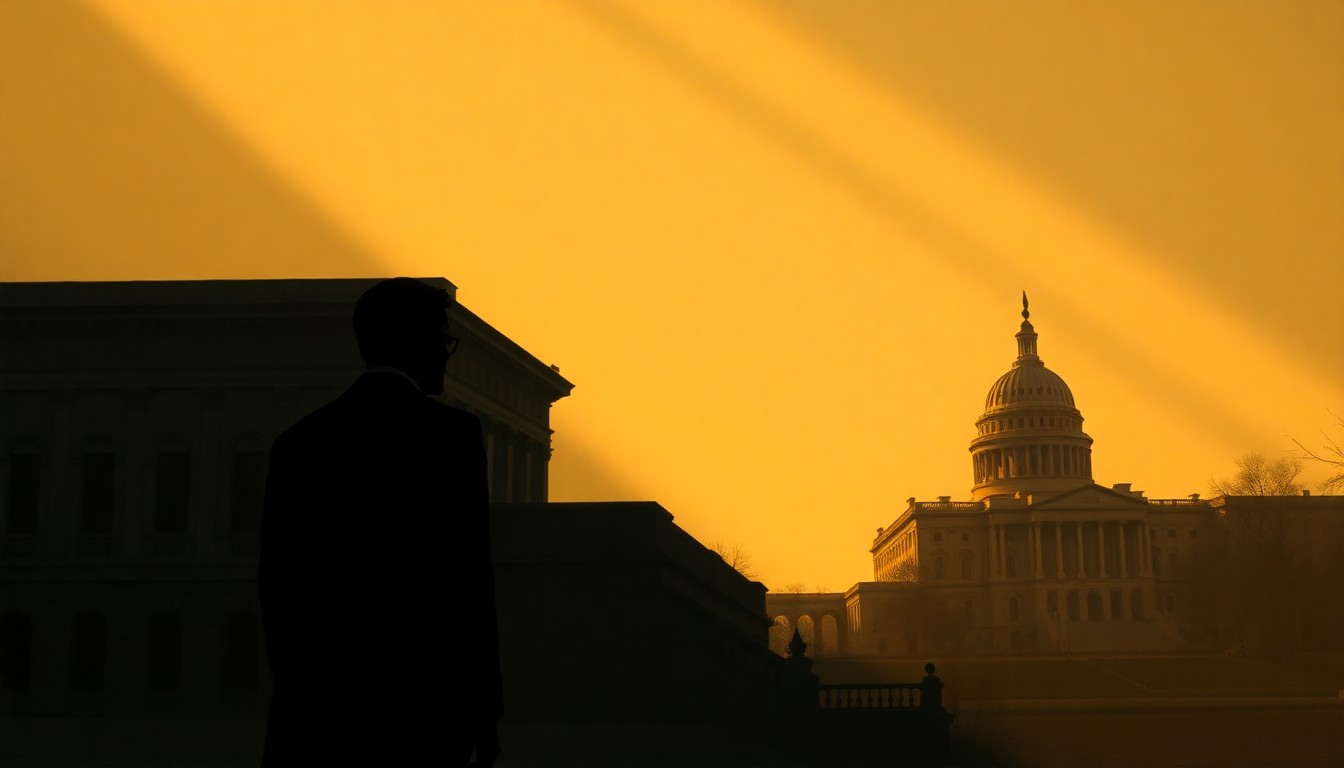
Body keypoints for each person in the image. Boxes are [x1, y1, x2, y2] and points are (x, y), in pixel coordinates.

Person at [258, 277, 503, 766]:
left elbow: (279, 587)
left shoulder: (299, 443)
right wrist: (482, 713)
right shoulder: (451, 438)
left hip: (317, 718)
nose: (447, 355)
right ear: (421, 340)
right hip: (422, 717)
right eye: (444, 340)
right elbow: (468, 584)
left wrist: (300, 699)